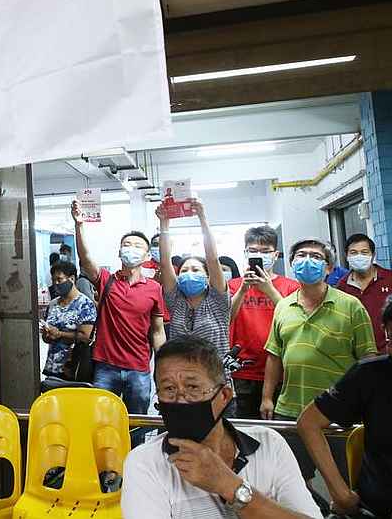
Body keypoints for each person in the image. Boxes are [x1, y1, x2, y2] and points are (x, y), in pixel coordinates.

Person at [121, 335, 321, 519]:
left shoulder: (270, 445)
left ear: (224, 396)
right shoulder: (145, 462)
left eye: (193, 387)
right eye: (169, 389)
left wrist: (228, 485)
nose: (180, 399)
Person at [262, 239, 377, 484]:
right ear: (292, 264)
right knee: (291, 483)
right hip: (290, 411)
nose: (307, 261)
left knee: (347, 481)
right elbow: (274, 355)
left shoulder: (351, 306)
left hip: (339, 411)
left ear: (328, 268)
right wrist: (267, 397)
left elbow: (368, 359)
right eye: (301, 255)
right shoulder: (283, 306)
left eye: (315, 257)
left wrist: (368, 404)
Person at [298, 287, 392, 519]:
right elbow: (308, 423)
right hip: (374, 506)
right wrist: (340, 493)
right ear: (385, 333)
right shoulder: (369, 375)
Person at [71, 201, 168, 435]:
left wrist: (164, 362)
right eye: (126, 244)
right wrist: (79, 225)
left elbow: (157, 330)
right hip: (106, 367)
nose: (131, 248)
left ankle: (135, 458)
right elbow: (85, 259)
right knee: (102, 425)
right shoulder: (107, 280)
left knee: (138, 426)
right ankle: (107, 460)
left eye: (137, 246)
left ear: (147, 256)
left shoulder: (154, 288)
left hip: (139, 369)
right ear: (119, 252)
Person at [229, 225, 300, 419]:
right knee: (245, 427)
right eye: (253, 251)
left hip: (282, 370)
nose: (259, 255)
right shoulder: (233, 285)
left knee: (281, 427)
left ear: (275, 255)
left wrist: (269, 289)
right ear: (245, 253)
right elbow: (227, 318)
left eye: (265, 251)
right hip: (243, 370)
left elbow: (295, 320)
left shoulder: (291, 286)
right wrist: (243, 290)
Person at [157, 201, 230, 370]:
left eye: (195, 270)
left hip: (214, 376)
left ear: (207, 277)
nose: (189, 273)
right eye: (184, 271)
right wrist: (164, 224)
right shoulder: (175, 300)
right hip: (181, 375)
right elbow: (165, 263)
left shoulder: (217, 300)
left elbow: (212, 259)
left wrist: (202, 218)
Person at [336, 233, 392, 353]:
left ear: (373, 255)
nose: (359, 256)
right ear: (347, 256)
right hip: (358, 354)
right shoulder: (341, 287)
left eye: (364, 252)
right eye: (353, 253)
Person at [40, 261, 96, 380]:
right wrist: (47, 333)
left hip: (73, 368)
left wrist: (59, 334)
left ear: (71, 279)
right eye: (53, 280)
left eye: (59, 279)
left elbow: (85, 337)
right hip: (52, 367)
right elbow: (46, 339)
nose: (55, 283)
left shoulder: (85, 304)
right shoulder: (53, 304)